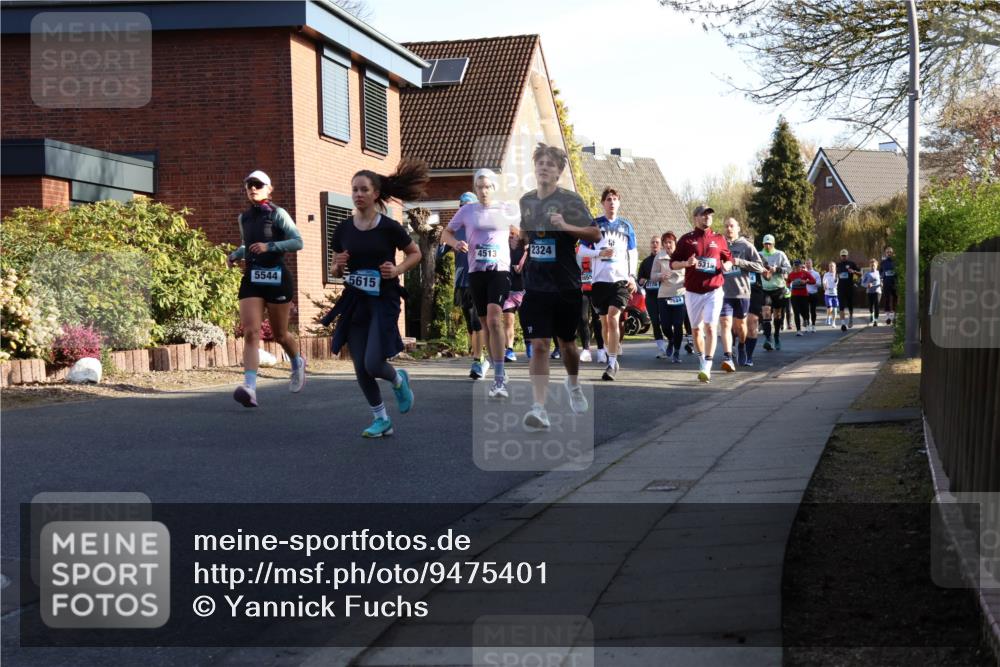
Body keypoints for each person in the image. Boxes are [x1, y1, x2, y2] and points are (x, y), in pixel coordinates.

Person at [323, 160, 427, 438]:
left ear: (375, 194)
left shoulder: (390, 227)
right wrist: (338, 266)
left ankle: (397, 379)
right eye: (354, 189)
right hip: (356, 300)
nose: (358, 194)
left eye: (363, 189)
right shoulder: (343, 229)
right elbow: (335, 267)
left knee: (373, 362)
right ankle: (381, 419)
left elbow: (415, 253)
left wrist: (397, 270)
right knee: (360, 367)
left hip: (384, 300)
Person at [518, 143, 600, 429]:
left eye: (550, 164)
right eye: (540, 162)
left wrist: (566, 226)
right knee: (539, 345)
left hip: (566, 286)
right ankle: (539, 408)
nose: (544, 167)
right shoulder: (526, 201)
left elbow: (595, 233)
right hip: (536, 286)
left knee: (567, 345)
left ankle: (573, 384)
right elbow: (529, 234)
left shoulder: (570, 200)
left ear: (559, 171)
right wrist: (520, 242)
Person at [228, 170, 305, 408]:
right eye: (249, 185)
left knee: (280, 334)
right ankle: (249, 387)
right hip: (252, 277)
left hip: (277, 277)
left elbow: (297, 241)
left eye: (258, 185)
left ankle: (297, 362)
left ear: (269, 189)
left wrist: (270, 246)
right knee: (251, 332)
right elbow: (248, 245)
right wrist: (235, 255)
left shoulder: (278, 214)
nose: (253, 188)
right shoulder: (244, 218)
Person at [441, 168, 519, 398]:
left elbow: (520, 232)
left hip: (499, 271)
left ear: (494, 188)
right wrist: (455, 243)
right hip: (476, 272)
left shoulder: (505, 209)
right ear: (475, 189)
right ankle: (494, 366)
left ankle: (498, 378)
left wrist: (517, 239)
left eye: (488, 186)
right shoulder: (467, 211)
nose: (484, 191)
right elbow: (445, 233)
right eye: (480, 187)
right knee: (484, 324)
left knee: (495, 318)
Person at [670, 205, 733, 383]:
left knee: (711, 327)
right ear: (695, 217)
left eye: (710, 214)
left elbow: (728, 260)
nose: (707, 217)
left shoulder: (719, 238)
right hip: (693, 292)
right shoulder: (686, 240)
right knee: (696, 329)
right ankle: (702, 360)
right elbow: (673, 263)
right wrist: (686, 263)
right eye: (704, 214)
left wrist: (725, 267)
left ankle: (707, 365)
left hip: (714, 289)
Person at [580, 188, 638, 381]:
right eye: (608, 199)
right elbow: (580, 252)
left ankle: (611, 363)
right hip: (599, 282)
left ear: (619, 203)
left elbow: (633, 253)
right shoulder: (594, 225)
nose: (612, 202)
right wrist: (598, 254)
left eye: (615, 199)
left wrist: (632, 276)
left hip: (620, 281)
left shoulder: (626, 226)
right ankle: (609, 353)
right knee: (604, 323)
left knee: (613, 318)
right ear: (603, 203)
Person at [438, 192, 488, 379]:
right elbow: (439, 255)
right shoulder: (456, 229)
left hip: (479, 278)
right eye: (462, 207)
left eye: (468, 206)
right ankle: (476, 351)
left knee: (477, 320)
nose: (464, 210)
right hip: (461, 281)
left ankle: (478, 359)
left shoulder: (483, 227)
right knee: (470, 322)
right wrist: (445, 242)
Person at [719, 217, 764, 371]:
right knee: (725, 323)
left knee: (741, 327)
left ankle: (742, 346)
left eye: (731, 226)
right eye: (726, 226)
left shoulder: (746, 246)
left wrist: (739, 262)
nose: (728, 229)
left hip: (742, 292)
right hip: (724, 292)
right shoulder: (719, 245)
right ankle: (728, 357)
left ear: (737, 228)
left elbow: (759, 267)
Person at [650, 231, 686, 363]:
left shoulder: (683, 256)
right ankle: (670, 339)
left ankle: (676, 351)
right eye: (665, 243)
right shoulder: (659, 256)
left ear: (675, 243)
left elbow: (690, 272)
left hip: (680, 293)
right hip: (664, 294)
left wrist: (687, 282)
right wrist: (660, 276)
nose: (667, 245)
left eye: (670, 242)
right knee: (665, 325)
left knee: (677, 324)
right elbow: (652, 275)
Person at [758, 234, 791, 351]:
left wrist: (776, 269)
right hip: (765, 289)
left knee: (777, 314)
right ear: (763, 244)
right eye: (766, 243)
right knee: (766, 312)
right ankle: (768, 339)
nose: (767, 246)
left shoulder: (780, 254)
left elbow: (788, 269)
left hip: (778, 289)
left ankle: (776, 335)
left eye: (770, 244)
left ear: (773, 244)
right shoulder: (759, 255)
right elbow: (753, 268)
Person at [638, 235, 666, 358]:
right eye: (652, 242)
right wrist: (642, 280)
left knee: (665, 321)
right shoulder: (645, 262)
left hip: (664, 295)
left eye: (657, 242)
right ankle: (661, 348)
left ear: (661, 245)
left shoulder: (666, 259)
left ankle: (670, 342)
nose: (655, 244)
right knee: (655, 321)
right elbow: (639, 279)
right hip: (651, 296)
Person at [502, 229, 526, 362]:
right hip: (508, 291)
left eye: (514, 235)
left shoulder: (525, 250)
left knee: (525, 321)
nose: (512, 237)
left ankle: (529, 343)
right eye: (509, 235)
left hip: (523, 291)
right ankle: (509, 349)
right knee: (508, 321)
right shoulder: (503, 249)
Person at [788, 259, 817, 336]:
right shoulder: (791, 274)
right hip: (794, 296)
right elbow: (787, 281)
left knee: (805, 311)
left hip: (804, 295)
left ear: (801, 266)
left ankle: (806, 320)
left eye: (798, 265)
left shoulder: (805, 273)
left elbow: (813, 281)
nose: (797, 267)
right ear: (793, 266)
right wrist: (788, 285)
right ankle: (798, 330)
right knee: (796, 312)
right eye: (795, 265)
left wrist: (806, 281)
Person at [835, 248, 862, 331]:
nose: (843, 257)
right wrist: (835, 279)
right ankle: (843, 324)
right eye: (842, 256)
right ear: (840, 256)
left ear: (847, 255)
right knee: (841, 306)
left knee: (850, 305)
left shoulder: (852, 263)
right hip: (841, 288)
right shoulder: (838, 265)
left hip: (849, 288)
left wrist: (853, 271)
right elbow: (836, 275)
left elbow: (860, 274)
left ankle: (850, 317)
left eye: (845, 255)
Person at [862, 258, 883, 326]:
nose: (873, 266)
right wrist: (867, 285)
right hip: (869, 292)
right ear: (869, 266)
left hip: (877, 291)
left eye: (874, 265)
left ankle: (876, 320)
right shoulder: (866, 273)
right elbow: (862, 283)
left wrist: (882, 283)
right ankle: (871, 314)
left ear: (877, 265)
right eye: (871, 265)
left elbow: (881, 281)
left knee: (876, 305)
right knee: (870, 306)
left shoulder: (879, 273)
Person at [880, 246, 898, 325]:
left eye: (890, 252)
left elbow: (898, 272)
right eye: (887, 252)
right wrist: (881, 279)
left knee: (895, 299)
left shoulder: (896, 262)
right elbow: (880, 272)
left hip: (894, 282)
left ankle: (894, 317)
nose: (889, 253)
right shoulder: (883, 263)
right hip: (886, 283)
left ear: (892, 253)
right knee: (887, 299)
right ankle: (887, 317)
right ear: (885, 253)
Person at [805, 258, 821, 332]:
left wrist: (811, 281)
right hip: (805, 294)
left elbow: (819, 284)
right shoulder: (803, 273)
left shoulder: (816, 273)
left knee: (813, 310)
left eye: (809, 263)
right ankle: (807, 325)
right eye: (806, 263)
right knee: (805, 311)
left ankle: (813, 325)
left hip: (814, 293)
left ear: (812, 264)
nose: (808, 264)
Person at [822, 261, 840, 327]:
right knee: (829, 307)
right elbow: (824, 282)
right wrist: (825, 285)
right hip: (828, 294)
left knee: (835, 310)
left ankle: (834, 323)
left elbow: (837, 283)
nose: (831, 267)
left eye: (832, 266)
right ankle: (828, 317)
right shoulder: (826, 274)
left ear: (835, 267)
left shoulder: (837, 275)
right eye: (830, 266)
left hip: (835, 294)